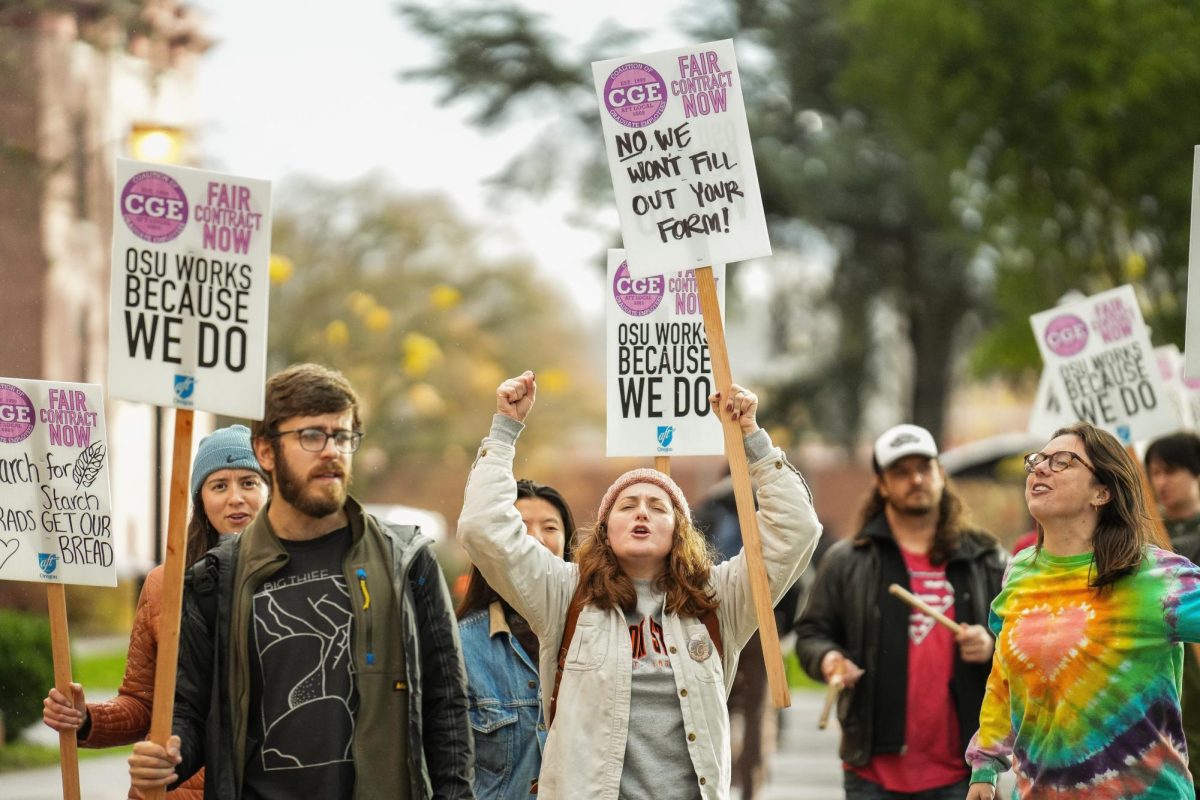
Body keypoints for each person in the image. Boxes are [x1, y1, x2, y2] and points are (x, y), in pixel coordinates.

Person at [458, 370, 822, 799]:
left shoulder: (718, 600)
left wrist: (752, 440)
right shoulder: (565, 593)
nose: (642, 513)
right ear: (606, 529)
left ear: (679, 530)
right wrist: (504, 431)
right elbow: (483, 528)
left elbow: (797, 530)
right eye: (627, 505)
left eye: (658, 506)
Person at [127, 363, 473, 799]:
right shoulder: (216, 580)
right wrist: (168, 756)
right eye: (311, 435)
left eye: (342, 436)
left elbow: (448, 709)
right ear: (266, 451)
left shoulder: (406, 563)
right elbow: (191, 716)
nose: (331, 451)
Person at [966, 422, 1200, 798]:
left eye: (1063, 462)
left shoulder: (1158, 577)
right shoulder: (1019, 571)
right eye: (1038, 460)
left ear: (1102, 492)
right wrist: (984, 765)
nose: (1040, 468)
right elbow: (1004, 676)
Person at [41, 425, 268, 800]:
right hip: (173, 792)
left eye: (248, 482)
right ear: (200, 498)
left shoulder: (297, 579)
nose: (235, 499)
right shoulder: (165, 585)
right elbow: (145, 703)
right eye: (219, 486)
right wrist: (86, 720)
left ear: (269, 490)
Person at [794, 423, 1008, 799]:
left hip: (964, 769)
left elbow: (1022, 642)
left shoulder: (986, 558)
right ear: (881, 484)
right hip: (872, 772)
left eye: (924, 468)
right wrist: (829, 659)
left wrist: (992, 645)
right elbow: (812, 634)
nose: (916, 479)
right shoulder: (848, 560)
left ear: (941, 473)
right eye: (901, 472)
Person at [457, 478, 575, 799]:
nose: (534, 539)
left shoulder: (595, 634)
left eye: (550, 528)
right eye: (518, 526)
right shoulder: (461, 646)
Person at [1145, 431, 1200, 785]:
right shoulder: (1143, 539)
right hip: (1163, 700)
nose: (1160, 482)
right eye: (1154, 472)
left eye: (1170, 471)